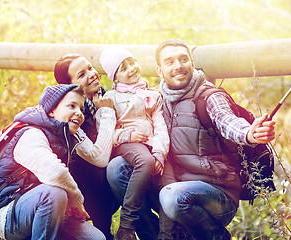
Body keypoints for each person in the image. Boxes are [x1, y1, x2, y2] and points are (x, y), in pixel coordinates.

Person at [156, 38, 276, 240]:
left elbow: (226, 120)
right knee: (121, 172)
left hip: (218, 193)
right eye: (170, 62)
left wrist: (250, 133)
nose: (178, 66)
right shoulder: (157, 99)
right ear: (159, 70)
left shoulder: (208, 97)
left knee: (172, 197)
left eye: (183, 59)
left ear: (192, 63)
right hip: (175, 187)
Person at [0, 84, 106, 240]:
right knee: (54, 193)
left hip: (41, 210)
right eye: (71, 106)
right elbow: (55, 173)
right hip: (7, 215)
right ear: (52, 110)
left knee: (96, 238)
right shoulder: (32, 134)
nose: (79, 113)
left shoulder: (63, 139)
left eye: (81, 109)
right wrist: (76, 200)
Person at [99, 46, 169, 240]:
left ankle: (164, 232)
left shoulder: (153, 94)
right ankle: (127, 225)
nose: (131, 69)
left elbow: (160, 126)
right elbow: (105, 133)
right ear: (115, 78)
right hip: (127, 145)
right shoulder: (110, 98)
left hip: (150, 145)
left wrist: (160, 153)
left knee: (160, 174)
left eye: (132, 62)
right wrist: (127, 135)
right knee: (145, 162)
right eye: (123, 68)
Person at [54, 54, 119, 239]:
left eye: (90, 68)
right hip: (78, 190)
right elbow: (99, 158)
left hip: (103, 185)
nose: (91, 74)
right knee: (94, 169)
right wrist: (107, 113)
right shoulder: (70, 115)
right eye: (82, 74)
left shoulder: (102, 98)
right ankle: (103, 232)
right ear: (70, 86)